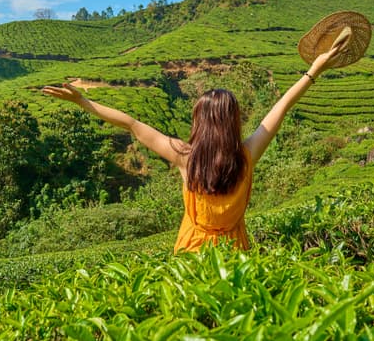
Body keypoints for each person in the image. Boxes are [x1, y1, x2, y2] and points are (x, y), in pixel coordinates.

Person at [42, 45, 344, 253]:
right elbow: (282, 106)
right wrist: (314, 69)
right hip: (234, 256)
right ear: (233, 122)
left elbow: (132, 124)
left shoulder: (185, 157)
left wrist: (83, 101)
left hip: (190, 254)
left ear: (199, 121)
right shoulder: (247, 155)